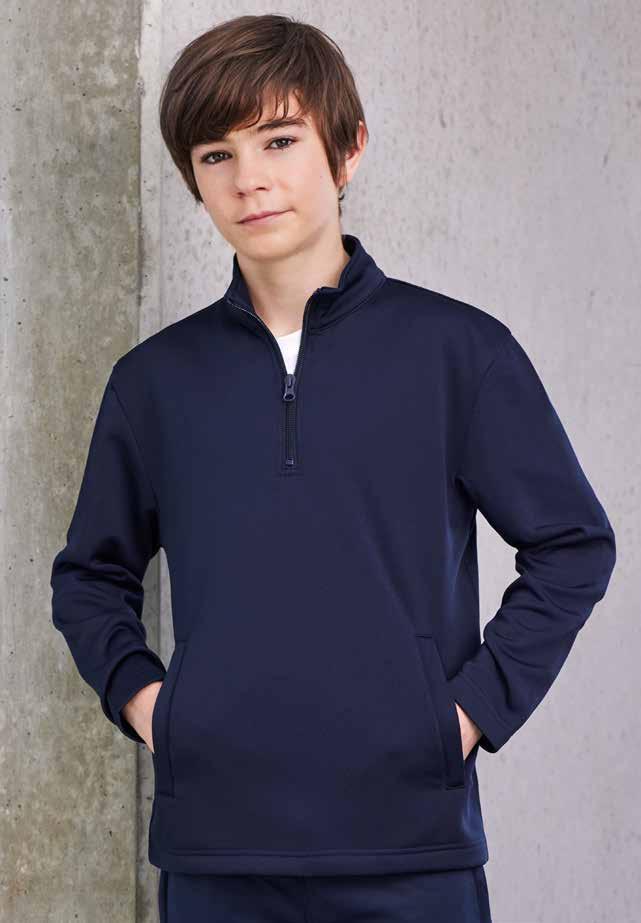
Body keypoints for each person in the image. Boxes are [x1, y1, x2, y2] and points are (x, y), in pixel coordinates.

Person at [50, 13, 616, 923]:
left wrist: (465, 714)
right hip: (217, 853)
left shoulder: (458, 353)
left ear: (347, 149)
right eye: (216, 155)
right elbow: (89, 575)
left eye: (278, 140)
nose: (249, 178)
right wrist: (156, 708)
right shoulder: (154, 383)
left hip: (411, 850)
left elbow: (573, 544)